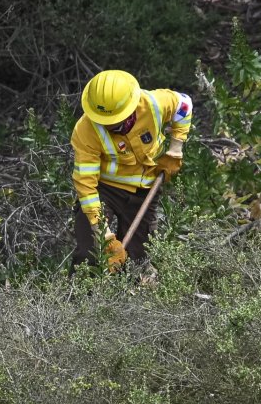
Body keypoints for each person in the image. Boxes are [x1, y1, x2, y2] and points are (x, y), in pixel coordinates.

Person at [70, 70, 192, 270]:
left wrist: (175, 149)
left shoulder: (153, 103)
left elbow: (185, 105)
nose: (108, 124)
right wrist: (104, 235)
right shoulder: (85, 130)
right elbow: (86, 184)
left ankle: (128, 297)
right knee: (91, 254)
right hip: (105, 191)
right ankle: (78, 299)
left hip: (145, 191)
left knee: (138, 260)